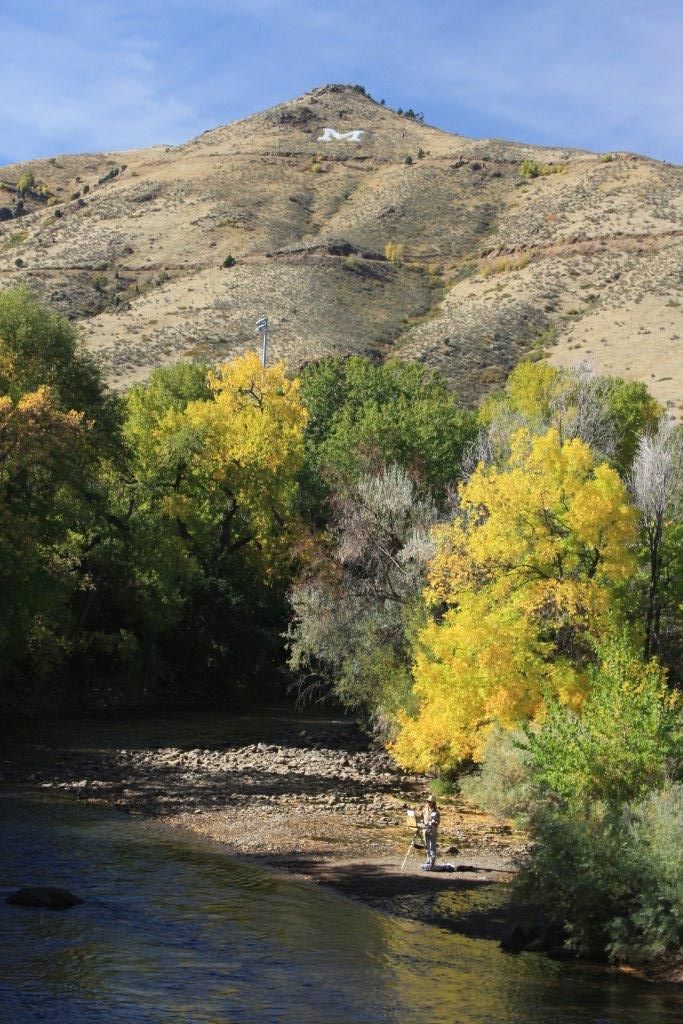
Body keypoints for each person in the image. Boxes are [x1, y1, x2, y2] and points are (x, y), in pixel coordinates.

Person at [421, 796, 440, 870]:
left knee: (432, 846)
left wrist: (435, 823)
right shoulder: (424, 810)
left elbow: (438, 822)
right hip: (425, 830)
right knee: (426, 846)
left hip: (433, 831)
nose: (428, 803)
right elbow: (420, 817)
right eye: (427, 801)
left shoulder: (436, 812)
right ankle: (428, 860)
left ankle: (432, 861)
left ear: (433, 803)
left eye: (430, 801)